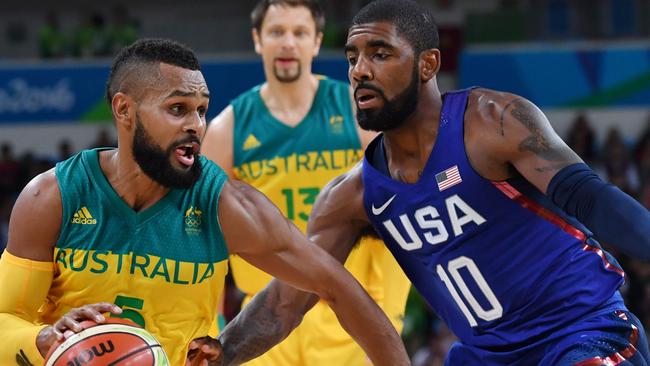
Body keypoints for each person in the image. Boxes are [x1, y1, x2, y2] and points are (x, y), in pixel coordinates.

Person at [203, 1, 650, 364]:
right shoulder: (351, 197)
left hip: (582, 333)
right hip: (486, 356)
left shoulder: (491, 123)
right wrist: (217, 355)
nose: (360, 69)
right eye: (353, 57)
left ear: (427, 64)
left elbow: (593, 199)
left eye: (380, 53)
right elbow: (284, 303)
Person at [0, 38, 410, 366]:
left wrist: (231, 348)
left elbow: (337, 288)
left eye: (201, 110)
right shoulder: (53, 197)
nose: (196, 125)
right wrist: (42, 338)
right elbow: (3, 321)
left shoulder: (224, 205)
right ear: (124, 110)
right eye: (178, 109)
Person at [202, 0, 410, 364]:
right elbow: (203, 236)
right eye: (277, 32)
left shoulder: (356, 109)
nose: (288, 43)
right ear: (257, 39)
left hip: (352, 312)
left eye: (299, 33)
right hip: (266, 320)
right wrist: (214, 318)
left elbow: (402, 199)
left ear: (315, 42)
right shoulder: (227, 129)